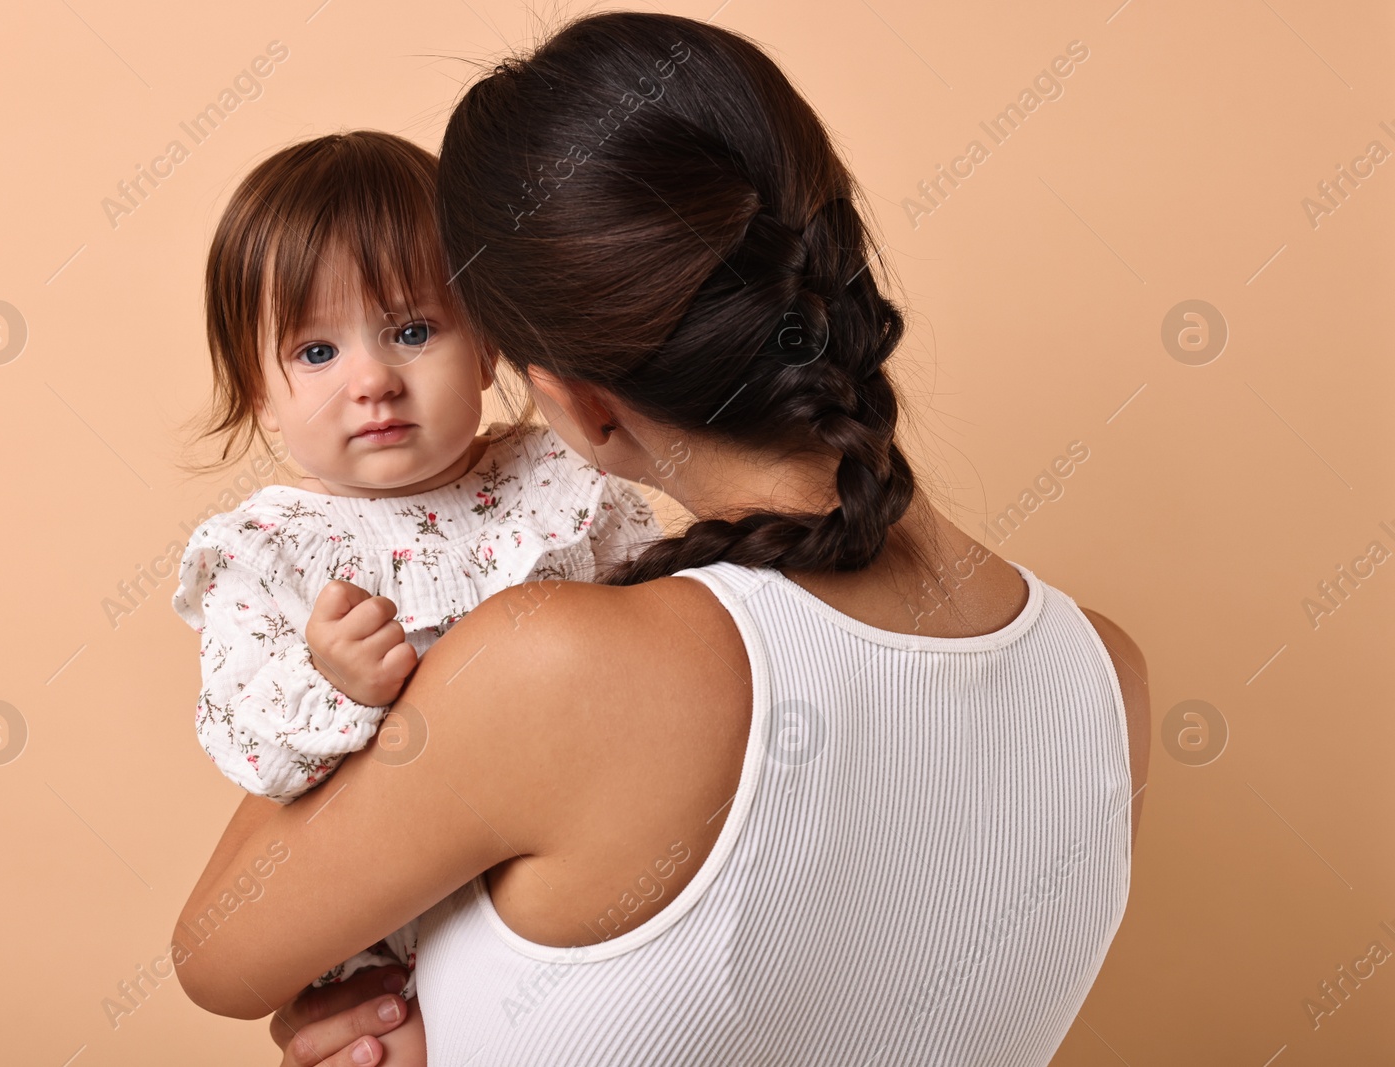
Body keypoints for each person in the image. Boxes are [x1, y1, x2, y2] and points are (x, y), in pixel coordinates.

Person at [173, 12, 1150, 1066]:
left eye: (416, 329)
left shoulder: (554, 662)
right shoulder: (1107, 677)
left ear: (575, 404)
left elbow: (217, 952)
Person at [168, 128, 660, 1050]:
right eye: (315, 352)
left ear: (487, 347)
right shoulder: (270, 553)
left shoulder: (555, 478)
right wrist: (334, 682)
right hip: (385, 925)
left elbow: (659, 628)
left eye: (411, 331)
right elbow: (255, 755)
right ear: (257, 389)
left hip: (578, 869)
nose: (373, 381)